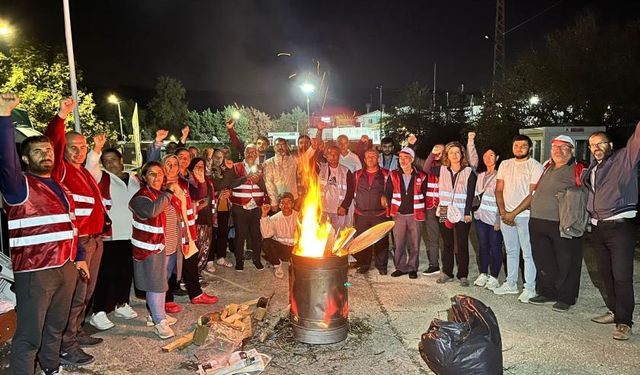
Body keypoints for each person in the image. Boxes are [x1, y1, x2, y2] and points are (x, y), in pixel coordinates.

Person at [0, 93, 88, 375]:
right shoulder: (18, 186)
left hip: (66, 267)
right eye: (38, 151)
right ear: (25, 158)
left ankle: (51, 369)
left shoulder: (62, 187)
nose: (46, 154)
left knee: (55, 328)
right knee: (29, 337)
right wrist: (4, 116)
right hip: (36, 272)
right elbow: (5, 158)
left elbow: (71, 227)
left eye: (48, 150)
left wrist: (80, 257)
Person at [44, 98, 106, 366]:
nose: (79, 151)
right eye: (73, 147)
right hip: (78, 243)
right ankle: (66, 346)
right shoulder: (61, 170)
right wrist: (61, 116)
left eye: (82, 147)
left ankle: (76, 332)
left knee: (85, 294)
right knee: (73, 296)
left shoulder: (82, 171)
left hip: (94, 240)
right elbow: (53, 142)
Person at [585, 122, 640, 340]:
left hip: (620, 228)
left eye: (600, 143)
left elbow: (636, 141)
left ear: (610, 145)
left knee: (622, 276)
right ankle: (615, 310)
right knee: (605, 274)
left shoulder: (622, 161)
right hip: (598, 228)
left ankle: (625, 322)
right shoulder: (594, 168)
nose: (596, 147)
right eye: (592, 145)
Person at [85, 138, 140, 331]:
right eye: (105, 160)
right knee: (106, 274)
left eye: (113, 160)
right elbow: (90, 167)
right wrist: (96, 150)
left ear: (121, 160)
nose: (109, 163)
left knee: (125, 272)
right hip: (111, 234)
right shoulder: (102, 176)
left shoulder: (134, 178)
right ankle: (98, 311)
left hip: (131, 234)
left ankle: (122, 303)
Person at [528, 135, 586, 312]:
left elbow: (587, 193)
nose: (558, 151)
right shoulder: (547, 166)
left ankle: (566, 297)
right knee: (544, 259)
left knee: (568, 261)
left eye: (563, 148)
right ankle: (547, 292)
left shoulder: (579, 169)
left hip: (563, 222)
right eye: (555, 148)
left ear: (571, 150)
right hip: (538, 220)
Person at [129, 161, 181, 339]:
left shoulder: (160, 193)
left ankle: (156, 314)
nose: (157, 177)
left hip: (168, 246)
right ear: (144, 177)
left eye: (160, 173)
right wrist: (169, 192)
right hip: (152, 249)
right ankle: (159, 322)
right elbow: (152, 211)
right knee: (156, 285)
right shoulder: (140, 197)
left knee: (162, 283)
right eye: (152, 174)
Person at [162, 155, 218, 307]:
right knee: (166, 266)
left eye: (175, 164)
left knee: (190, 261)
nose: (173, 167)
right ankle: (165, 299)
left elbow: (198, 196)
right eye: (169, 164)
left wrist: (200, 182)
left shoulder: (182, 182)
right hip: (169, 231)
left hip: (186, 229)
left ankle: (196, 294)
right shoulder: (159, 183)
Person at [494, 135, 544, 303]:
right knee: (511, 251)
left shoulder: (535, 166)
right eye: (516, 145)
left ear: (529, 148)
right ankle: (511, 283)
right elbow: (499, 189)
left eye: (523, 145)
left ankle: (530, 288)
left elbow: (532, 195)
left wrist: (513, 213)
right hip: (506, 215)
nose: (519, 148)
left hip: (525, 216)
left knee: (528, 254)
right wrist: (503, 212)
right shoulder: (505, 164)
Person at [425, 142, 477, 286]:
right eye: (451, 152)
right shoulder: (441, 170)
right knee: (446, 243)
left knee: (462, 244)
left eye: (457, 152)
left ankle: (463, 274)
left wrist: (467, 213)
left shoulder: (468, 172)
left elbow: (470, 195)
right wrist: (433, 153)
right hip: (443, 210)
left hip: (462, 212)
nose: (454, 155)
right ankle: (447, 272)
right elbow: (426, 168)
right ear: (447, 155)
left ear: (462, 154)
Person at [222, 144, 269, 271]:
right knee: (240, 235)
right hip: (240, 206)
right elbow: (229, 184)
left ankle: (257, 259)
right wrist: (245, 178)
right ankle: (239, 261)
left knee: (256, 235)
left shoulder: (262, 168)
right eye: (248, 151)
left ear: (257, 154)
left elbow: (266, 187)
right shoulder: (236, 167)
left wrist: (258, 181)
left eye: (254, 152)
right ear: (244, 153)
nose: (251, 154)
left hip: (256, 206)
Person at [386, 147, 427, 279]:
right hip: (398, 214)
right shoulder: (393, 175)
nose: (402, 161)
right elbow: (388, 193)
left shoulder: (421, 175)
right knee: (399, 243)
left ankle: (412, 268)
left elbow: (425, 194)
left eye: (406, 158)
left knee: (415, 243)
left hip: (415, 214)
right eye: (401, 158)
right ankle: (401, 267)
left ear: (412, 159)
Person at [468, 140, 503, 291]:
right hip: (480, 217)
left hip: (494, 219)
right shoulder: (481, 175)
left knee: (495, 247)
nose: (488, 158)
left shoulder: (501, 176)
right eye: (485, 155)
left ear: (497, 158)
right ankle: (483, 273)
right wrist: (471, 141)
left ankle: (494, 276)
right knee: (482, 246)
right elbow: (471, 159)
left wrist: (499, 219)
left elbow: (503, 199)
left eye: (491, 155)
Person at [409, 134, 442, 275]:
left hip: (444, 207)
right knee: (433, 237)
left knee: (447, 237)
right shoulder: (428, 163)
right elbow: (413, 159)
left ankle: (449, 265)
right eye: (435, 151)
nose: (438, 154)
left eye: (440, 151)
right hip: (429, 207)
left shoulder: (448, 167)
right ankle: (434, 265)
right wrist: (411, 146)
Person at [353, 149, 390, 275]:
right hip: (362, 215)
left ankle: (382, 266)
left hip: (379, 215)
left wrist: (386, 196)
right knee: (364, 240)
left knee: (381, 241)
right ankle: (364, 265)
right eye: (368, 156)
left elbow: (392, 190)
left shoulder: (386, 174)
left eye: (373, 156)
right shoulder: (357, 175)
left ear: (378, 158)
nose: (370, 158)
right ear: (364, 159)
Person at [260, 192, 297, 279]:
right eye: (283, 202)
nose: (286, 205)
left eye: (288, 202)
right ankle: (277, 265)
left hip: (296, 249)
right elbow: (266, 235)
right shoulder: (275, 218)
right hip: (281, 249)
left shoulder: (300, 216)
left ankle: (296, 263)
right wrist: (264, 215)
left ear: (293, 204)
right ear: (279, 205)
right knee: (265, 242)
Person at [318, 145, 355, 232]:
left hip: (339, 210)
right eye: (330, 154)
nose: (333, 156)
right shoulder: (320, 169)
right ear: (326, 156)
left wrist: (344, 206)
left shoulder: (346, 171)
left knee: (338, 235)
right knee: (323, 235)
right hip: (323, 209)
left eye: (336, 154)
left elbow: (350, 191)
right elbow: (309, 162)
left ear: (339, 156)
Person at [263, 138, 298, 212]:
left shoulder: (293, 160)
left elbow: (306, 157)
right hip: (277, 202)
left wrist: (313, 148)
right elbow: (269, 183)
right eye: (278, 145)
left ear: (286, 147)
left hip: (292, 200)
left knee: (293, 222)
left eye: (283, 145)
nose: (280, 147)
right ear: (274, 147)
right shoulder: (268, 163)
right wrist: (274, 202)